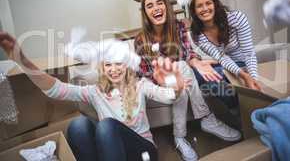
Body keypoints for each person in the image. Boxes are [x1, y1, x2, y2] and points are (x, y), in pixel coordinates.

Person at [0, 32, 190, 161]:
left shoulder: (140, 85)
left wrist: (175, 81)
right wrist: (22, 61)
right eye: (108, 65)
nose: (114, 70)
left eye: (119, 64)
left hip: (143, 153)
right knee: (78, 125)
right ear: (103, 68)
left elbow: (170, 96)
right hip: (112, 153)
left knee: (106, 125)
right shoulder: (94, 92)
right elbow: (55, 89)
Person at [134, 0, 241, 161]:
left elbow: (187, 53)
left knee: (182, 80)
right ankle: (206, 119)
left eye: (159, 3)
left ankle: (180, 137)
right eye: (150, 6)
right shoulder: (141, 39)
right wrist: (172, 78)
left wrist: (194, 64)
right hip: (156, 83)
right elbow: (146, 73)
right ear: (145, 13)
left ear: (166, 6)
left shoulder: (178, 26)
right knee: (180, 75)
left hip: (181, 77)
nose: (156, 8)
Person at [189, 0, 261, 91]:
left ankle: (246, 97)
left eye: (208, 3)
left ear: (215, 5)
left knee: (216, 75)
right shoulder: (198, 35)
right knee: (200, 75)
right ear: (194, 12)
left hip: (243, 63)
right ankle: (238, 101)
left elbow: (248, 53)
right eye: (199, 6)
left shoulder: (236, 18)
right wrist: (243, 76)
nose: (205, 8)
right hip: (225, 65)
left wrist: (253, 78)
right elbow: (222, 58)